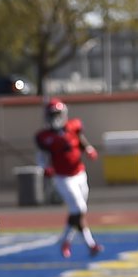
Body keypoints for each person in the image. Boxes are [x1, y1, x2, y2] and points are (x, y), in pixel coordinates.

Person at [36, 98, 102, 258]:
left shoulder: (73, 126)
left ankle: (72, 241)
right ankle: (84, 243)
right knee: (79, 209)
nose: (56, 118)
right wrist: (45, 168)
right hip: (63, 177)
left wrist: (88, 148)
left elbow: (80, 140)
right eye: (53, 115)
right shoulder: (44, 136)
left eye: (58, 114)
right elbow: (41, 155)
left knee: (78, 212)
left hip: (80, 173)